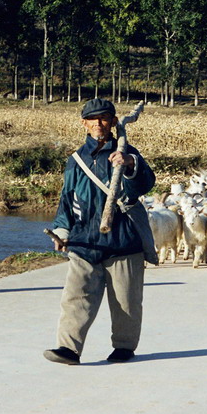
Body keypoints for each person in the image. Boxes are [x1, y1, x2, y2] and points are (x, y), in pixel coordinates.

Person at [44, 98, 156, 365]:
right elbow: (67, 199)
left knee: (126, 302)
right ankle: (68, 349)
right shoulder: (75, 160)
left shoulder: (127, 152)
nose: (98, 124)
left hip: (123, 240)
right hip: (86, 242)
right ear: (84, 123)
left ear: (114, 122)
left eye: (104, 118)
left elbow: (143, 186)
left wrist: (129, 164)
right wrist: (63, 230)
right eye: (92, 119)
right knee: (75, 297)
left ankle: (124, 347)